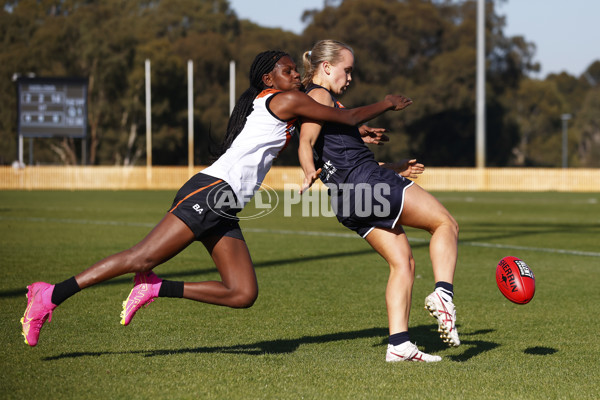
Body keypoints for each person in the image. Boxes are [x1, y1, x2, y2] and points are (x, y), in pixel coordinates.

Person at [20, 50, 414, 347]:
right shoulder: (282, 98)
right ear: (269, 78)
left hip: (224, 203)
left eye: (296, 69)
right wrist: (386, 103)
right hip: (210, 192)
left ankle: (154, 288)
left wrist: (365, 136)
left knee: (242, 293)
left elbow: (327, 128)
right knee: (141, 256)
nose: (297, 75)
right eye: (289, 70)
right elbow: (342, 117)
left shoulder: (289, 107)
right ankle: (49, 295)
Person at [298, 40, 460, 363]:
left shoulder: (328, 105)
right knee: (445, 223)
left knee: (403, 262)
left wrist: (394, 166)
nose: (350, 78)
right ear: (326, 67)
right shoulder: (319, 96)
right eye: (347, 70)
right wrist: (385, 103)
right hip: (367, 185)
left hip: (349, 199)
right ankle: (444, 294)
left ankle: (399, 344)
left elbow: (343, 157)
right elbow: (306, 141)